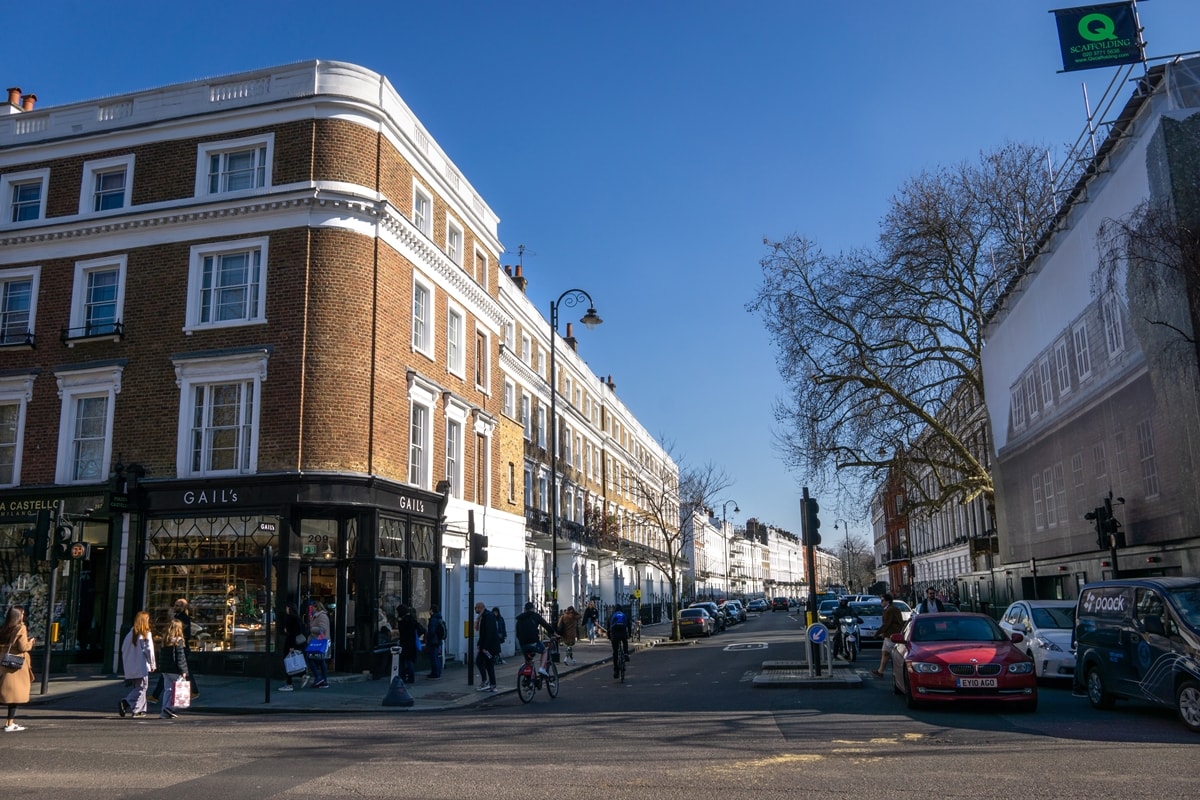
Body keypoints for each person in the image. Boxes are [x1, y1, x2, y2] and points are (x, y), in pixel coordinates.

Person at [151, 598, 200, 703]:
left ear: (183, 607)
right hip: (179, 647)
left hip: (179, 647)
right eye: (175, 605)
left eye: (178, 606)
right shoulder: (178, 617)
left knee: (169, 672)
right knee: (182, 671)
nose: (175, 607)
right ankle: (194, 691)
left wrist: (173, 639)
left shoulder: (183, 619)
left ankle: (156, 696)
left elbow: (184, 634)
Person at [0, 606, 35, 732]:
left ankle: (10, 723)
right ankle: (10, 724)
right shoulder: (21, 627)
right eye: (23, 613)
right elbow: (22, 647)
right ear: (18, 616)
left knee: (6, 694)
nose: (24, 615)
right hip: (15, 664)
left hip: (3, 661)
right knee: (14, 696)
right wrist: (31, 642)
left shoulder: (5, 628)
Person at [120, 610, 156, 717]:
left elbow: (123, 649)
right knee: (142, 687)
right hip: (141, 666)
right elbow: (149, 650)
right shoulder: (145, 635)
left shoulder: (130, 634)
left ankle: (140, 710)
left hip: (131, 666)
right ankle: (127, 702)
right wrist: (152, 664)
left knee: (138, 687)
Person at [515, 601, 557, 677]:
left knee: (529, 662)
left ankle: (530, 682)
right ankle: (541, 668)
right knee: (544, 651)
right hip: (533, 642)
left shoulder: (520, 619)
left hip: (523, 644)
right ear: (532, 609)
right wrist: (554, 633)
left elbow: (517, 633)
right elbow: (545, 625)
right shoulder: (535, 616)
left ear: (525, 609)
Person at [158, 618, 189, 718]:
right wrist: (183, 670)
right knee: (179, 689)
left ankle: (164, 711)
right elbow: (180, 657)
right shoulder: (178, 640)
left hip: (165, 669)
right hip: (175, 669)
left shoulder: (165, 640)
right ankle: (170, 707)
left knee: (168, 689)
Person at [871, 593, 905, 677]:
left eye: (882, 600)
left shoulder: (890, 610)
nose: (881, 602)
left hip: (891, 635)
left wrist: (877, 633)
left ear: (888, 601)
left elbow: (886, 624)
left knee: (895, 655)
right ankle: (880, 671)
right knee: (885, 653)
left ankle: (898, 673)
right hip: (888, 635)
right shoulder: (891, 609)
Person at [279, 602, 306, 691]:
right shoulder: (297, 618)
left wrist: (291, 646)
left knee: (288, 662)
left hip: (290, 643)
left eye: (287, 608)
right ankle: (303, 675)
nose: (286, 609)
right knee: (293, 661)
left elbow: (292, 633)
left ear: (290, 609)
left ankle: (289, 684)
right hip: (294, 643)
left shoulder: (291, 619)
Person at [395, 606, 425, 684]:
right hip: (411, 643)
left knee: (404, 662)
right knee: (409, 661)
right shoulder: (412, 619)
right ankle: (410, 678)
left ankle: (404, 677)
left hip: (405, 643)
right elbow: (422, 629)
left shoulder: (403, 621)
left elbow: (402, 632)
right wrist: (415, 636)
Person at [305, 600, 331, 688]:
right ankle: (323, 680)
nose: (311, 609)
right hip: (317, 640)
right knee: (320, 660)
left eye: (312, 607)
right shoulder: (316, 616)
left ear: (316, 607)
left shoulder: (321, 616)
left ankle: (319, 678)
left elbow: (322, 629)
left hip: (319, 641)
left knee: (310, 658)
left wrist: (311, 629)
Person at [475, 601, 500, 692]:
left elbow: (489, 633)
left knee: (488, 664)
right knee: (483, 662)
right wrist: (480, 644)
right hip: (486, 646)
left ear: (481, 607)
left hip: (488, 647)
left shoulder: (487, 616)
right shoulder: (484, 616)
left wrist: (485, 647)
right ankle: (488, 683)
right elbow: (483, 633)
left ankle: (491, 684)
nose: (475, 610)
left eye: (476, 608)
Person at [606, 605, 632, 678]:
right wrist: (629, 634)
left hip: (615, 633)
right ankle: (626, 654)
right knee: (625, 641)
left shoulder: (612, 616)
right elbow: (629, 625)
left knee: (615, 652)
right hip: (623, 631)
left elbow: (608, 627)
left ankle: (616, 670)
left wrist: (609, 636)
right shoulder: (624, 615)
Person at [424, 605, 447, 679]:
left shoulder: (433, 619)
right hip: (438, 640)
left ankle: (435, 673)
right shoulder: (439, 618)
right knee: (436, 657)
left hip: (433, 641)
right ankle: (437, 672)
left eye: (430, 610)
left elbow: (432, 631)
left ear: (432, 610)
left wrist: (428, 638)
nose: (429, 612)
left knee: (433, 657)